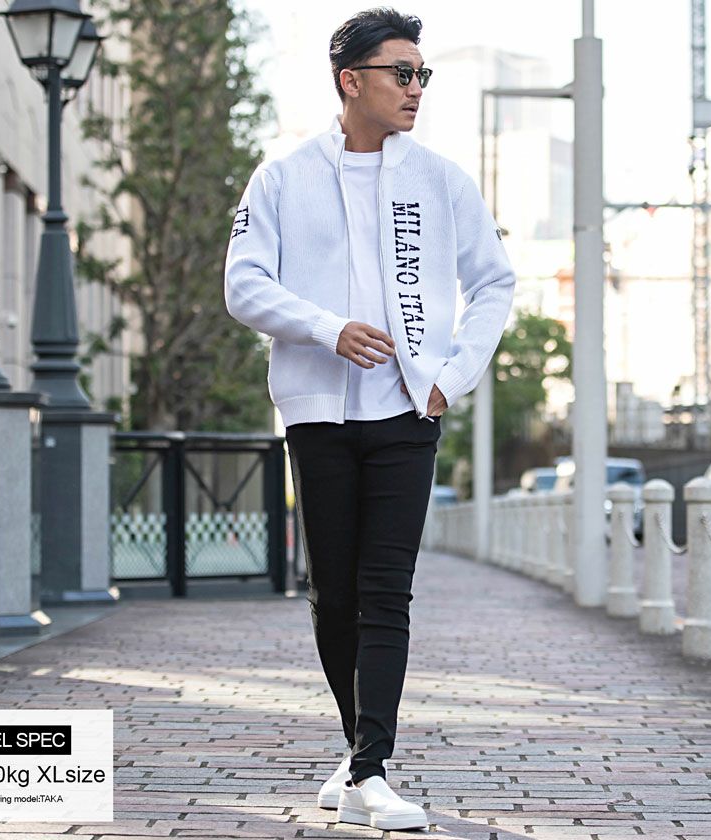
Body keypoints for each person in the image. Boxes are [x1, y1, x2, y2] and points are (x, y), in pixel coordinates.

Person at [224, 7, 516, 831]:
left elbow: (494, 281)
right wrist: (328, 328)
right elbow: (243, 285)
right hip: (316, 413)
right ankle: (359, 756)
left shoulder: (441, 180)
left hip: (407, 412)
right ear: (351, 80)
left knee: (387, 591)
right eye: (402, 73)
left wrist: (450, 377)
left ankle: (371, 769)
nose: (416, 88)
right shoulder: (281, 177)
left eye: (423, 74)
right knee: (333, 593)